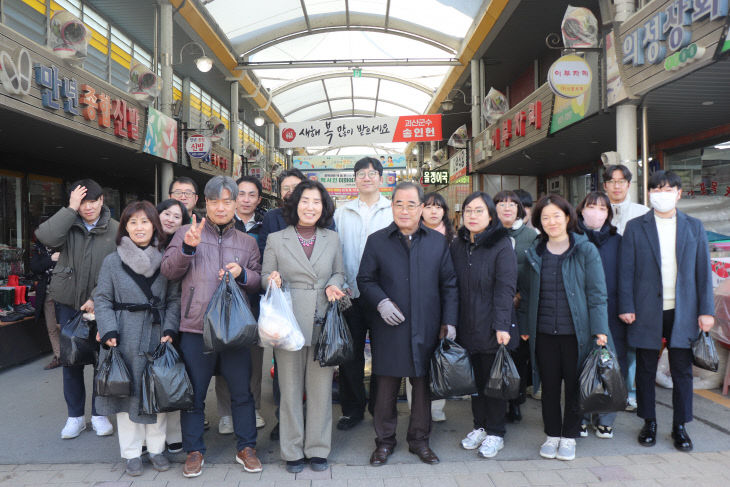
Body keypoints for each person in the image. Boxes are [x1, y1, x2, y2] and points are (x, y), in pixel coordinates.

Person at [161, 176, 263, 478]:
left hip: (235, 330)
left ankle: (246, 447)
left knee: (242, 393)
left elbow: (257, 280)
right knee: (194, 393)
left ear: (235, 204)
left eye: (227, 201)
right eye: (215, 201)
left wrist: (243, 273)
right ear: (206, 203)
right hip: (195, 328)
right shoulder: (185, 233)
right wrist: (188, 249)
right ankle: (194, 450)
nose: (221, 207)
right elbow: (169, 271)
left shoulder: (247, 242)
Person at [357, 182, 458, 467]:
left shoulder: (437, 242)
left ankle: (419, 441)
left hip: (427, 326)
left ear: (422, 208)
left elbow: (449, 284)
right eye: (398, 204)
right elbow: (365, 279)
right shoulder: (377, 240)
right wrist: (381, 302)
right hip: (389, 327)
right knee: (386, 387)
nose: (404, 210)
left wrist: (449, 322)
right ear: (392, 207)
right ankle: (384, 442)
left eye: (411, 204)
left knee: (423, 386)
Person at [618, 170, 714, 452]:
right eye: (657, 189)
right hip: (646, 310)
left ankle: (679, 426)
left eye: (669, 189)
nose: (663, 194)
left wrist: (706, 311)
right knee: (646, 369)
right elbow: (626, 271)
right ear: (649, 194)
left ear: (679, 193)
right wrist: (627, 306)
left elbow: (702, 273)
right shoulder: (636, 227)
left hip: (683, 310)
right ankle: (649, 422)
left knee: (682, 370)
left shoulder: (694, 226)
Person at [262, 179, 346, 473]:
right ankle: (292, 450)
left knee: (321, 390)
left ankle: (318, 449)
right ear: (294, 204)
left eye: (316, 202)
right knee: (289, 390)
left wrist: (334, 285)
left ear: (323, 208)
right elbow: (263, 277)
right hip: (288, 323)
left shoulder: (332, 239)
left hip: (323, 321)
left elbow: (339, 272)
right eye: (305, 201)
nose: (310, 207)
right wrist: (272, 280)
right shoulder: (276, 238)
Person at [93, 201, 181, 477]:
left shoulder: (167, 257)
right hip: (123, 335)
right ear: (125, 227)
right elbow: (103, 298)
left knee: (158, 392)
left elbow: (175, 299)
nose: (139, 227)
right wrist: (108, 330)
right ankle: (131, 453)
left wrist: (170, 328)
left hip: (157, 333)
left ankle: (156, 449)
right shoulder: (112, 260)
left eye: (144, 221)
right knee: (126, 394)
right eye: (133, 222)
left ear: (154, 225)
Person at [522, 194, 608, 461]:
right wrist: (525, 326)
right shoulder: (534, 251)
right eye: (545, 217)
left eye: (556, 216)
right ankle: (552, 435)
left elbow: (597, 294)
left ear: (568, 217)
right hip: (544, 332)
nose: (551, 222)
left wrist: (600, 330)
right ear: (539, 222)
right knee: (548, 387)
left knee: (574, 386)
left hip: (577, 334)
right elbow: (526, 294)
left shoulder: (585, 250)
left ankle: (569, 436)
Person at [35, 179, 118, 440]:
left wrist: (97, 297)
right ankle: (75, 417)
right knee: (71, 361)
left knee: (101, 360)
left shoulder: (116, 230)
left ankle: (99, 414)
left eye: (92, 201)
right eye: (82, 202)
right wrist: (69, 209)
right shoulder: (68, 225)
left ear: (102, 200)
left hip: (103, 304)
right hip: (68, 304)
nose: (88, 207)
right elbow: (45, 236)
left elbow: (118, 269)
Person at [452, 192, 517, 459]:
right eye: (468, 210)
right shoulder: (457, 245)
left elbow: (505, 288)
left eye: (479, 211)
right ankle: (479, 426)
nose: (472, 215)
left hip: (493, 326)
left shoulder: (501, 244)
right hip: (466, 325)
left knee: (494, 383)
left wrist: (503, 325)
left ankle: (496, 432)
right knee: (476, 383)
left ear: (491, 215)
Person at [333, 157, 393, 431]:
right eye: (361, 174)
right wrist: (338, 281)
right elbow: (335, 250)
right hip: (349, 294)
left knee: (384, 354)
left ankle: (380, 408)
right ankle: (352, 409)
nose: (366, 178)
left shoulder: (392, 210)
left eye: (372, 173)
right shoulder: (341, 212)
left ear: (381, 178)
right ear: (354, 179)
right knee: (350, 355)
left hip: (383, 298)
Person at [216, 176, 267, 434]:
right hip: (223, 303)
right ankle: (225, 413)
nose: (246, 199)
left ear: (259, 199)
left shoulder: (266, 224)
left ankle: (254, 407)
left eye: (251, 195)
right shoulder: (220, 221)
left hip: (255, 300)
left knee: (254, 361)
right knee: (226, 357)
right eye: (241, 194)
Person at [576, 191, 624, 439]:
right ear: (581, 210)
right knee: (582, 365)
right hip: (579, 312)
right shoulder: (572, 238)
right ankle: (582, 415)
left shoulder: (617, 241)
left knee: (608, 365)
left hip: (610, 312)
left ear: (609, 214)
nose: (596, 212)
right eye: (591, 206)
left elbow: (626, 277)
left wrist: (626, 308)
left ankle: (605, 417)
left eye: (603, 208)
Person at [603, 164, 649, 411]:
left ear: (629, 185)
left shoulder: (643, 213)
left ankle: (629, 392)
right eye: (612, 181)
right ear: (605, 185)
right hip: (607, 289)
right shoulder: (597, 211)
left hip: (635, 288)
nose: (617, 186)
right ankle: (607, 389)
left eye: (622, 181)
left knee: (632, 344)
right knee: (607, 342)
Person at [493, 190, 539, 420]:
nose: (507, 207)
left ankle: (516, 401)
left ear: (520, 209)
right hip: (494, 307)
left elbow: (536, 271)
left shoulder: (531, 236)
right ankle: (497, 403)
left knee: (518, 357)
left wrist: (520, 294)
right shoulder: (487, 234)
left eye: (512, 203)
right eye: (501, 203)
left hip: (521, 307)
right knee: (496, 356)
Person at [412, 192, 455, 423]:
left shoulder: (453, 238)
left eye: (438, 207)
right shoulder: (410, 235)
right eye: (428, 207)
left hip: (442, 305)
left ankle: (437, 407)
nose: (434, 211)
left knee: (439, 357)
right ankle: (416, 408)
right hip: (418, 307)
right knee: (415, 361)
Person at [155, 198, 190, 455]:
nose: (170, 219)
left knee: (175, 374)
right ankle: (151, 435)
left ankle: (174, 433)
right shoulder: (143, 240)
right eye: (166, 213)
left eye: (176, 217)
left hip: (175, 318)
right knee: (151, 377)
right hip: (145, 320)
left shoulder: (183, 244)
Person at [30, 238, 61, 370]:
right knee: (51, 326)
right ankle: (59, 356)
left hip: (64, 292)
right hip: (47, 293)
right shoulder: (39, 248)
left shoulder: (63, 244)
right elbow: (35, 267)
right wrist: (51, 259)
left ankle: (71, 354)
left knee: (64, 325)